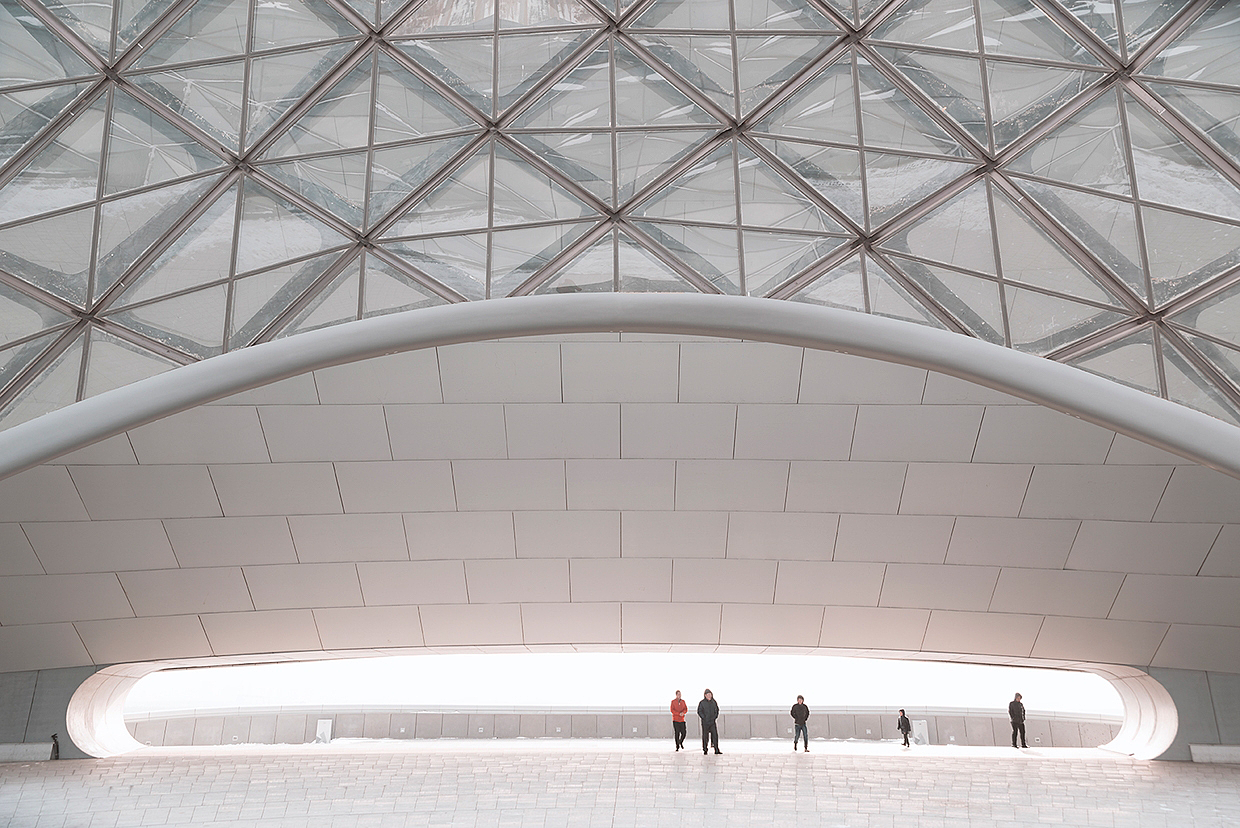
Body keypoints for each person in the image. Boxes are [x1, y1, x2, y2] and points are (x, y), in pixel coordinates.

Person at [698, 689, 721, 754]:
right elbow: (699, 711)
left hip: (712, 722)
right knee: (705, 736)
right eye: (708, 695)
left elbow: (717, 710)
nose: (709, 696)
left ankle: (716, 749)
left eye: (710, 694)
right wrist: (704, 718)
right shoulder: (702, 703)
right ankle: (705, 749)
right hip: (705, 722)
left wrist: (715, 717)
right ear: (705, 695)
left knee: (715, 736)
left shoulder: (714, 702)